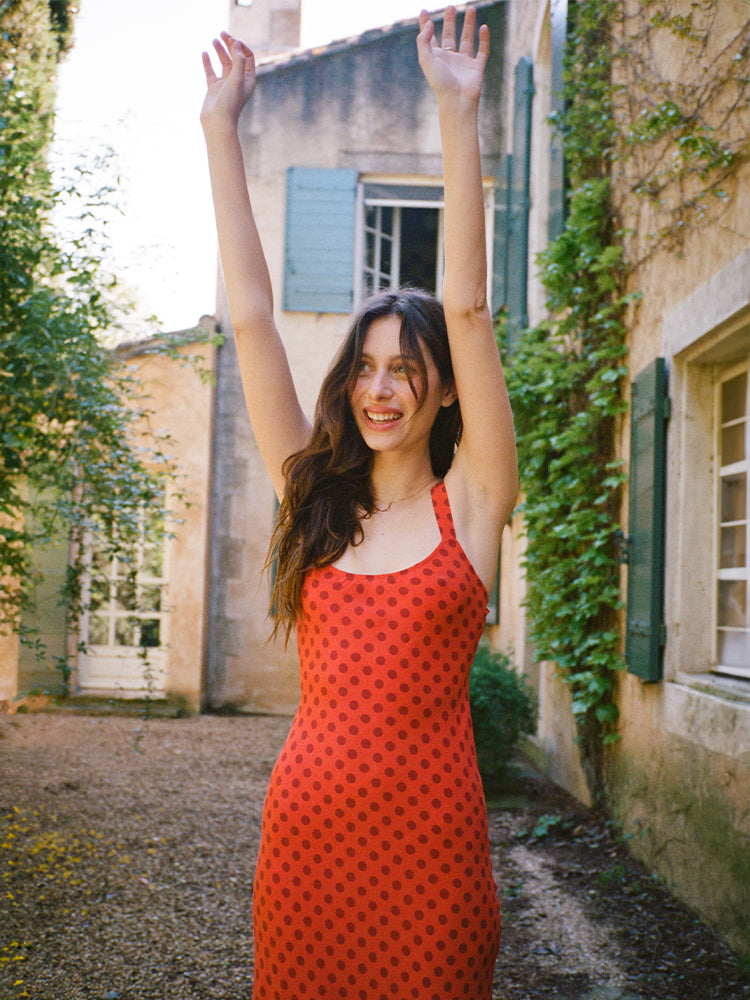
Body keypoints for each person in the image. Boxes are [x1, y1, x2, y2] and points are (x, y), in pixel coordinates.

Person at [201, 6, 518, 998]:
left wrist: (457, 116)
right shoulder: (319, 495)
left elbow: (465, 306)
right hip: (305, 846)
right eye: (366, 369)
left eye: (406, 369)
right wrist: (221, 132)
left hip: (432, 860)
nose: (380, 390)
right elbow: (251, 323)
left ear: (448, 386)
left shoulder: (472, 502)